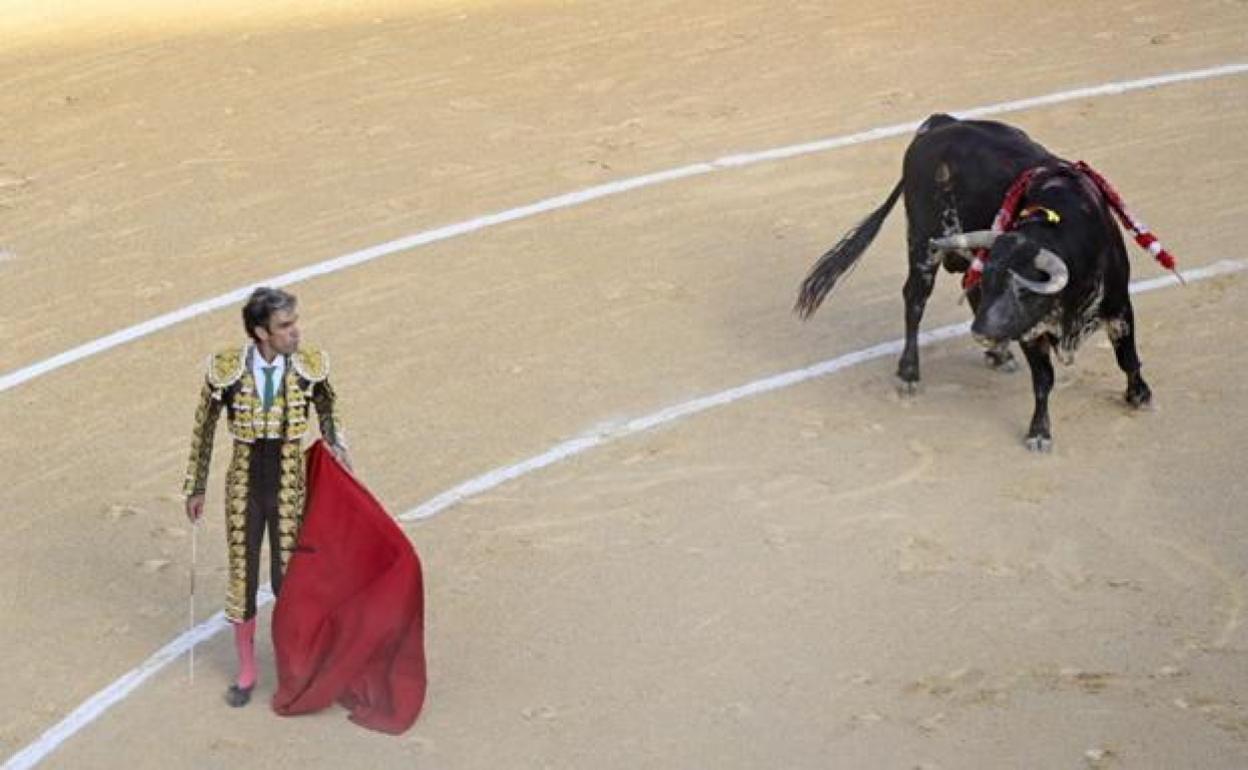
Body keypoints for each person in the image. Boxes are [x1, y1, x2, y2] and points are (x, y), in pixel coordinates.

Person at [182, 286, 350, 707]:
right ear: (261, 332)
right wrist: (196, 485)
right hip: (245, 481)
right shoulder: (228, 369)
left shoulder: (310, 367)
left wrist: (340, 451)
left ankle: (294, 664)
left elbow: (329, 409)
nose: (296, 332)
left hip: (290, 479)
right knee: (243, 574)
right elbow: (203, 428)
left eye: (294, 323)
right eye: (285, 326)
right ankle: (247, 671)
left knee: (289, 578)